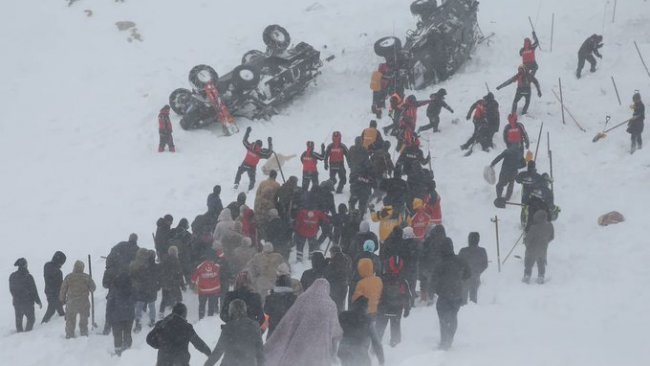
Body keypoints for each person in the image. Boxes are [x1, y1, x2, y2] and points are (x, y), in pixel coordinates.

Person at [264, 279, 342, 366]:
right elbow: (336, 332)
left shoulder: (302, 300)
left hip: (299, 345)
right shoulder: (331, 305)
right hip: (319, 350)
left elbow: (290, 319)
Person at [432, 238, 471, 350]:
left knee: (442, 317)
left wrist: (435, 289)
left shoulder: (440, 263)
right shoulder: (460, 260)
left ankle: (444, 340)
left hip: (443, 294)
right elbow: (468, 273)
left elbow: (434, 279)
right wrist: (459, 279)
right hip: (457, 293)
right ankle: (450, 338)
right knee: (453, 316)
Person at [147, 303, 212, 366]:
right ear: (184, 314)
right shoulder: (186, 327)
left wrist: (161, 345)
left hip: (163, 362)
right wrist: (210, 353)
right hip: (181, 362)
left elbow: (149, 339)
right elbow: (198, 343)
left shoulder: (162, 324)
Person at [205, 299, 264, 366]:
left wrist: (207, 364)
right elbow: (260, 351)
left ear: (231, 311)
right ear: (245, 310)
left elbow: (218, 351)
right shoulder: (254, 326)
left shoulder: (229, 327)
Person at [103, 233, 139, 334]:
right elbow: (139, 265)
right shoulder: (137, 250)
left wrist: (109, 269)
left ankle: (108, 325)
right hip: (127, 281)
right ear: (136, 240)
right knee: (127, 302)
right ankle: (125, 324)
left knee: (111, 303)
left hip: (114, 280)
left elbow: (110, 258)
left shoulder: (119, 246)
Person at [376, 255, 412, 347]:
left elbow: (376, 294)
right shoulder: (403, 281)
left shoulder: (382, 279)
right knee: (395, 328)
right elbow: (407, 296)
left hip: (383, 308)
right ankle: (395, 347)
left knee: (379, 328)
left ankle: (374, 348)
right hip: (397, 309)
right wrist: (407, 309)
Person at [338, 297, 385, 366]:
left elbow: (334, 331)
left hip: (343, 350)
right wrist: (381, 360)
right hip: (360, 352)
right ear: (366, 308)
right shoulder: (367, 321)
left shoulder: (343, 316)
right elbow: (376, 342)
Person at [60, 260, 96, 338]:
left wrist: (62, 299)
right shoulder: (86, 277)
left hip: (71, 303)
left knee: (70, 321)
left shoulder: (69, 277)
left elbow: (63, 289)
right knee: (84, 320)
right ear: (82, 268)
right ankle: (84, 333)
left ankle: (69, 335)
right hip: (84, 303)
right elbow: (93, 288)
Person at [234, 127, 273, 191]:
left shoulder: (250, 147)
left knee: (239, 173)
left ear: (255, 143)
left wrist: (248, 131)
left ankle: (236, 184)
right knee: (252, 180)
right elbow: (268, 154)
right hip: (252, 167)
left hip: (245, 164)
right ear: (261, 146)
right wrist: (270, 142)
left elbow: (244, 140)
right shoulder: (260, 152)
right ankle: (250, 189)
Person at [130, 248, 159, 332]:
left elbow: (136, 276)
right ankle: (152, 320)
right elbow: (159, 278)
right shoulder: (156, 267)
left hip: (142, 289)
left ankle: (138, 321)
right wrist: (157, 286)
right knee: (152, 305)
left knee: (139, 305)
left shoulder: (142, 267)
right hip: (152, 290)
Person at [106, 272, 135, 355]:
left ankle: (118, 351)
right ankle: (127, 350)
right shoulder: (131, 289)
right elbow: (135, 299)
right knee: (127, 333)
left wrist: (108, 319)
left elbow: (109, 306)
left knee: (117, 335)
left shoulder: (114, 290)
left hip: (116, 317)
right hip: (129, 315)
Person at [9, 258, 41, 332]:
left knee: (19, 320)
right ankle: (27, 334)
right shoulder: (28, 277)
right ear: (25, 265)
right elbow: (34, 291)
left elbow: (11, 289)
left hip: (17, 302)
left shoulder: (12, 276)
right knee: (31, 319)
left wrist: (17, 297)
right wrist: (38, 301)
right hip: (28, 302)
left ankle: (19, 334)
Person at [523, 211, 554, 284]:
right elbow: (551, 237)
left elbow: (528, 240)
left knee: (528, 263)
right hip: (543, 249)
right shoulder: (550, 225)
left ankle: (527, 276)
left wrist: (526, 243)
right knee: (541, 263)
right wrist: (545, 242)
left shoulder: (534, 228)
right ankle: (541, 276)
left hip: (531, 250)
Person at [458, 232, 488, 304]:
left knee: (463, 297)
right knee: (473, 297)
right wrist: (477, 271)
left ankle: (464, 309)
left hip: (464, 278)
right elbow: (485, 265)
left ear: (469, 240)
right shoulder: (482, 251)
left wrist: (463, 272)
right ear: (478, 240)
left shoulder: (463, 251)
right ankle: (473, 311)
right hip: (475, 277)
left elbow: (458, 263)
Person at [191, 255, 223, 319]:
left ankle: (201, 318)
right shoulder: (216, 266)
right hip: (213, 290)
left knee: (202, 305)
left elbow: (193, 278)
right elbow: (222, 274)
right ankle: (210, 318)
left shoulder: (200, 266)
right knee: (211, 305)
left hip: (203, 290)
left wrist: (193, 283)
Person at [159, 246, 186, 317]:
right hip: (174, 283)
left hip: (165, 283)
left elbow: (160, 271)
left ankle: (161, 312)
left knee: (164, 298)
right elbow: (179, 274)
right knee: (178, 298)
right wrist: (182, 285)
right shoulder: (176, 261)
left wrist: (160, 282)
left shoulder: (164, 260)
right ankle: (178, 313)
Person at [41, 251, 66, 323]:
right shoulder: (58, 271)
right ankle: (43, 324)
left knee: (58, 306)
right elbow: (60, 285)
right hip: (55, 293)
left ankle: (62, 316)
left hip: (48, 291)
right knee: (51, 309)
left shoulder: (47, 266)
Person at [325, 246, 352, 312]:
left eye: (331, 253)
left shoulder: (333, 262)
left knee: (333, 304)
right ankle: (340, 318)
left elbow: (328, 274)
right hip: (344, 285)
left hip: (335, 286)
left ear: (333, 253)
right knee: (341, 304)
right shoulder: (348, 258)